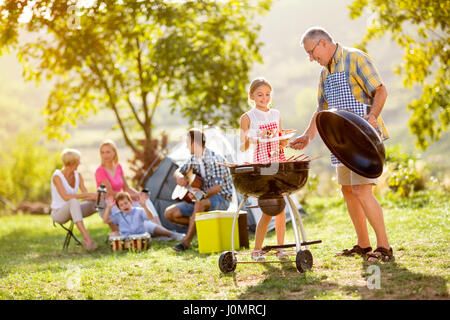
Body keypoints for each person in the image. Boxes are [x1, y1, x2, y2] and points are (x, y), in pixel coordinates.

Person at [290, 26, 393, 262]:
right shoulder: (325, 73)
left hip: (363, 140)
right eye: (308, 54)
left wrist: (373, 117)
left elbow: (380, 90)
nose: (311, 58)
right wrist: (308, 135)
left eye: (311, 52)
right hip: (340, 143)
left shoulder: (355, 58)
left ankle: (384, 247)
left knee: (361, 190)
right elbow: (321, 109)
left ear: (323, 43)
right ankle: (364, 245)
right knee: (348, 191)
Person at [240, 77, 288, 261]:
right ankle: (256, 250)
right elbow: (242, 147)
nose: (264, 98)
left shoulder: (276, 114)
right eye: (260, 95)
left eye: (267, 94)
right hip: (262, 166)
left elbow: (281, 141)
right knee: (269, 209)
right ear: (252, 96)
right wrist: (252, 138)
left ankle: (281, 248)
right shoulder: (247, 117)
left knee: (281, 208)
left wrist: (284, 140)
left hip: (278, 161)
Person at [164, 128, 234, 251]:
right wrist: (180, 177)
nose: (186, 147)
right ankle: (200, 227)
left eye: (187, 143)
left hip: (221, 199)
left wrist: (199, 194)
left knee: (199, 202)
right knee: (169, 213)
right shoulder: (193, 159)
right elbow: (178, 171)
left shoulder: (215, 159)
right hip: (201, 200)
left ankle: (186, 242)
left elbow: (218, 188)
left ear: (195, 144)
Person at [95, 139, 164, 232]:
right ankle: (156, 231)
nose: (105, 155)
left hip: (125, 199)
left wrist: (139, 195)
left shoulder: (118, 166)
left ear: (114, 153)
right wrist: (133, 196)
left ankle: (160, 227)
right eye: (102, 152)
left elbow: (126, 188)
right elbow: (110, 192)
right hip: (114, 204)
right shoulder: (100, 171)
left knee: (146, 201)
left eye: (108, 152)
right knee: (136, 210)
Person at [50, 149, 98, 251]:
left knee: (97, 203)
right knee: (73, 200)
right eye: (78, 161)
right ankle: (87, 239)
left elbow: (85, 194)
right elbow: (66, 197)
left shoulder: (78, 175)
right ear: (72, 162)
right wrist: (87, 194)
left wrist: (95, 196)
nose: (80, 163)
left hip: (74, 211)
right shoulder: (57, 176)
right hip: (59, 213)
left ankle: (116, 233)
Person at [103, 192, 184, 240]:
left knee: (150, 225)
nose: (124, 206)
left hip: (141, 237)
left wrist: (144, 206)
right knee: (113, 235)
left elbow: (150, 217)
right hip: (127, 238)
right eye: (121, 205)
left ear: (131, 202)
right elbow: (105, 220)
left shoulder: (139, 211)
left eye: (126, 203)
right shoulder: (118, 215)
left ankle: (173, 234)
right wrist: (108, 207)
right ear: (119, 208)